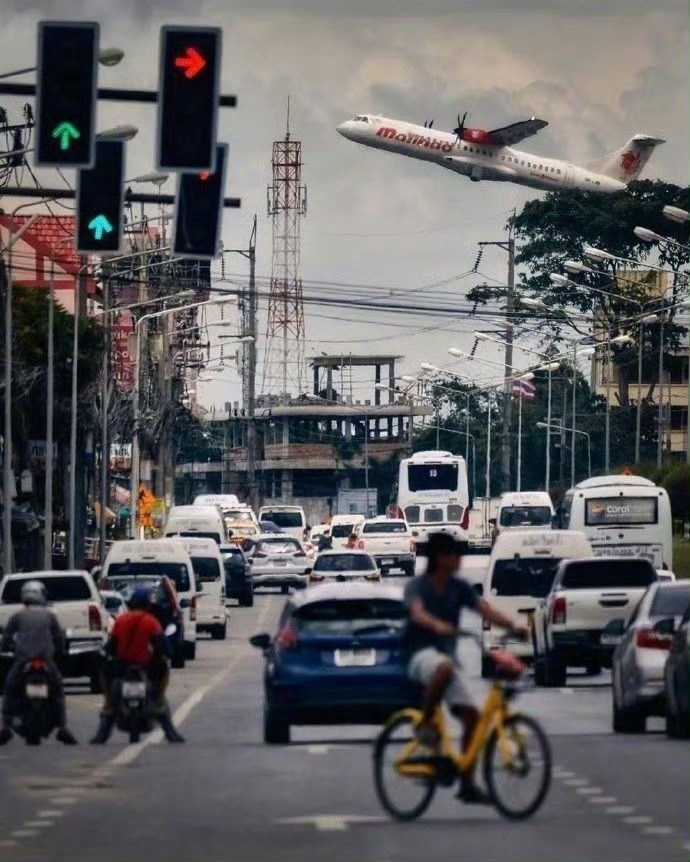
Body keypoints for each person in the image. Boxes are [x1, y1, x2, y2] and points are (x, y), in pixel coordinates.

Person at [404, 532, 528, 804]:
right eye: (454, 554)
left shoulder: (458, 588)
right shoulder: (418, 586)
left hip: (446, 662)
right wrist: (437, 625)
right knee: (445, 667)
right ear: (440, 558)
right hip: (419, 656)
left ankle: (467, 784)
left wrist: (514, 627)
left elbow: (484, 610)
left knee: (472, 718)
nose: (459, 559)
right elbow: (417, 613)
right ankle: (425, 724)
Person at [90, 587, 184, 744]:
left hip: (122, 667)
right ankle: (170, 733)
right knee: (159, 697)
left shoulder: (121, 620)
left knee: (110, 700)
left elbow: (111, 647)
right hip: (145, 667)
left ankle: (102, 734)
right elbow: (163, 647)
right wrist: (166, 654)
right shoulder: (151, 622)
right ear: (148, 605)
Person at [0, 580, 77, 745]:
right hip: (46, 662)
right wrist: (61, 652)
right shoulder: (49, 615)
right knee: (58, 691)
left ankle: (5, 726)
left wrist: (10, 648)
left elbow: (6, 640)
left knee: (10, 690)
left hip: (23, 662)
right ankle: (62, 727)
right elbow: (59, 639)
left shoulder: (17, 616)